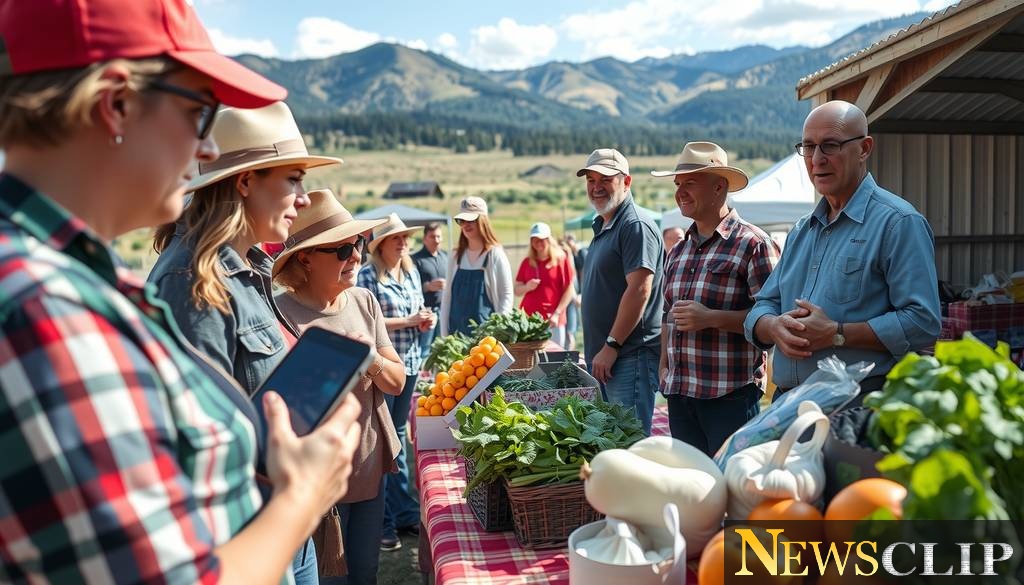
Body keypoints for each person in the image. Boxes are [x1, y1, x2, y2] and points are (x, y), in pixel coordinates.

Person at [0, 1, 361, 583]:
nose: (208, 150)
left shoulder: (78, 282)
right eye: (199, 112)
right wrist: (303, 495)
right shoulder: (48, 310)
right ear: (115, 104)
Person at [148, 101, 344, 583]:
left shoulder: (247, 268)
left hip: (284, 522)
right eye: (293, 180)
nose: (303, 198)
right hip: (246, 534)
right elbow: (202, 451)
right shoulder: (192, 280)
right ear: (245, 182)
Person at [744, 101, 941, 402]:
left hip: (857, 409)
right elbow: (764, 304)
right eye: (808, 147)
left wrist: (837, 333)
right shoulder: (801, 230)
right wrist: (773, 326)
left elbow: (922, 323)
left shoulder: (899, 223)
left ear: (864, 149)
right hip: (787, 403)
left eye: (830, 145)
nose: (817, 159)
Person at [274, 190, 406, 585]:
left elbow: (397, 383)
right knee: (328, 577)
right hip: (318, 474)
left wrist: (371, 359)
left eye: (359, 244)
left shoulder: (364, 301)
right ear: (305, 258)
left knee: (365, 571)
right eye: (342, 249)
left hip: (367, 462)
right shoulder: (280, 312)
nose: (355, 255)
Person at [652, 142, 780, 456]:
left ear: (719, 187)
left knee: (732, 489)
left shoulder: (753, 243)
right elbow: (669, 314)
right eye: (678, 184)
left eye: (690, 183)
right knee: (693, 489)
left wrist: (711, 318)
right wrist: (664, 367)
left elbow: (774, 319)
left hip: (730, 397)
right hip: (681, 395)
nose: (680, 191)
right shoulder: (679, 250)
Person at [356, 213, 432, 553]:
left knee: (397, 440)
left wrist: (424, 320)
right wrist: (409, 320)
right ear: (381, 245)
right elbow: (367, 321)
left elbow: (416, 309)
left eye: (405, 238)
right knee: (385, 443)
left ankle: (402, 515)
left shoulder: (411, 271)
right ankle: (386, 521)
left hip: (409, 364)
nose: (403, 243)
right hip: (383, 371)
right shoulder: (367, 275)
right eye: (396, 239)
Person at [577, 148, 664, 434]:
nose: (596, 186)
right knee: (615, 448)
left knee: (629, 447)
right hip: (609, 358)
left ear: (626, 182)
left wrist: (612, 345)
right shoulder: (605, 224)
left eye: (605, 179)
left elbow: (640, 289)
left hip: (627, 357)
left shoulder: (634, 225)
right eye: (591, 180)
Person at [439, 196, 513, 336]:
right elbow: (447, 295)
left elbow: (506, 295)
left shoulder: (495, 255)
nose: (466, 224)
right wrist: (444, 334)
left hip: (486, 338)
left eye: (471, 219)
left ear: (483, 220)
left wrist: (498, 331)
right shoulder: (455, 256)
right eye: (461, 220)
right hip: (456, 336)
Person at [515, 222, 575, 347]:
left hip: (553, 320)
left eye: (542, 239)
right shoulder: (527, 262)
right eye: (535, 239)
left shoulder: (560, 260)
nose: (538, 243)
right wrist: (527, 287)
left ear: (549, 240)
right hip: (529, 321)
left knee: (555, 360)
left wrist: (557, 313)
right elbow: (516, 290)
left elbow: (569, 291)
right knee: (531, 362)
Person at [412, 222, 448, 356]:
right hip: (426, 313)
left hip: (444, 311)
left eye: (439, 236)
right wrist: (427, 286)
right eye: (432, 237)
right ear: (424, 239)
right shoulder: (415, 259)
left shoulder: (446, 257)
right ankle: (423, 376)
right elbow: (410, 288)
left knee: (443, 348)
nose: (436, 240)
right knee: (424, 349)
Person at [562, 233, 586, 351]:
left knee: (571, 330)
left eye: (569, 241)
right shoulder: (569, 255)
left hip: (576, 294)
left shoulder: (581, 254)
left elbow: (582, 276)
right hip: (571, 294)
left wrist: (580, 294)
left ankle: (570, 355)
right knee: (570, 330)